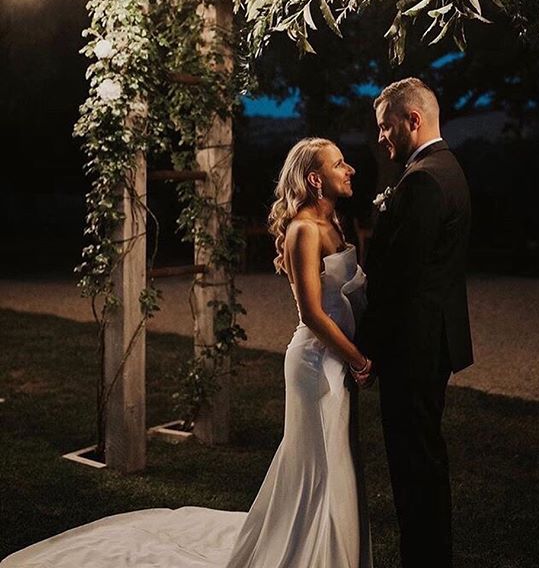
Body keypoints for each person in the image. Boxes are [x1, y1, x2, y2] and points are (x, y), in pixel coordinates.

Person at [0, 137, 372, 568]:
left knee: (337, 463)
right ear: (315, 178)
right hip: (314, 364)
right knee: (317, 466)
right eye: (339, 164)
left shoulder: (337, 223)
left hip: (337, 357)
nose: (350, 170)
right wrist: (359, 359)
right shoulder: (303, 230)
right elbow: (310, 313)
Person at [356, 77, 473, 568]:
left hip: (414, 347)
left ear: (413, 120)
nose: (382, 138)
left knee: (414, 466)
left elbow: (398, 279)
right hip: (432, 340)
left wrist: (366, 351)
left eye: (386, 127)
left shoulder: (423, 179)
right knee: (423, 459)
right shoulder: (447, 168)